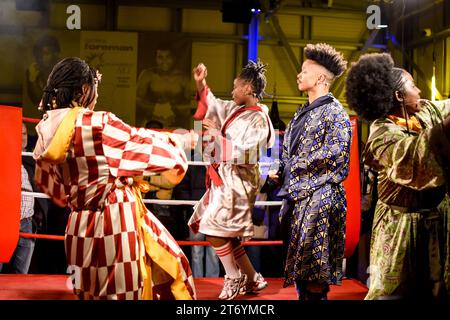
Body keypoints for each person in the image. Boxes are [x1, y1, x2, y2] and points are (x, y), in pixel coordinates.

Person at [32, 57, 198, 300]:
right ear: (85, 90)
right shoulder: (96, 124)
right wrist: (179, 142)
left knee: (88, 292)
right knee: (124, 291)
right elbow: (143, 144)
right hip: (115, 220)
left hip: (78, 225)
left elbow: (51, 187)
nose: (97, 98)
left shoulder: (45, 130)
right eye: (95, 89)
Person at [345, 52, 450, 300]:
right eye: (413, 85)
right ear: (399, 96)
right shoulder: (381, 134)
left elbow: (445, 106)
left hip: (436, 224)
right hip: (401, 229)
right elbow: (413, 160)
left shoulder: (423, 114)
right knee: (395, 293)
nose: (419, 91)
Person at [268, 43, 351, 300]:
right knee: (301, 274)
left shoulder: (336, 112)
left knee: (315, 275)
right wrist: (279, 171)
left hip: (321, 200)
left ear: (321, 78)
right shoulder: (300, 113)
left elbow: (336, 155)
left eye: (304, 71)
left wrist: (292, 167)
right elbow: (288, 153)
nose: (298, 75)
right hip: (298, 199)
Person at [188, 60, 275, 300]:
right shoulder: (238, 110)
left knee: (213, 228)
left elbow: (246, 154)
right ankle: (253, 278)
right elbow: (214, 104)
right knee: (226, 234)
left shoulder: (260, 120)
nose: (232, 91)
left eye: (235, 87)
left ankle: (233, 277)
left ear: (248, 89)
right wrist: (200, 83)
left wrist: (217, 134)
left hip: (239, 180)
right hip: (226, 179)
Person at [173, 135, 220, 278]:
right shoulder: (192, 160)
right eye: (204, 141)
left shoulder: (221, 161)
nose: (207, 144)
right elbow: (181, 186)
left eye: (210, 141)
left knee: (214, 250)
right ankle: (199, 280)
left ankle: (213, 281)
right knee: (196, 250)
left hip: (215, 211)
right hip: (196, 211)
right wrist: (191, 206)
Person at [0, 124, 40, 274]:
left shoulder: (31, 158)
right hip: (3, 220)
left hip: (27, 221)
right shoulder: (3, 155)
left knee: (21, 274)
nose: (22, 136)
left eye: (24, 133)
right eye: (17, 132)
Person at [136, 46, 191, 128]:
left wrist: (174, 108)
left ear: (174, 58)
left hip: (176, 123)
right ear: (156, 59)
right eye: (160, 57)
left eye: (168, 57)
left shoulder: (183, 78)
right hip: (152, 122)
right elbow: (137, 99)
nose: (164, 61)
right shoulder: (147, 75)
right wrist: (155, 108)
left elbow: (193, 103)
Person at [25, 35, 61, 107]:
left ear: (55, 54)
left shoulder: (63, 72)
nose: (42, 58)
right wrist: (32, 81)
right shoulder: (34, 71)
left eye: (46, 53)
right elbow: (37, 100)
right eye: (39, 55)